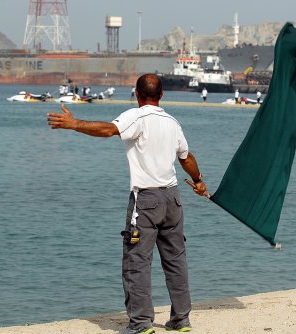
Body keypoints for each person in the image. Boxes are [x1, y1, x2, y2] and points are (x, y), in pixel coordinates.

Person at [47, 74, 209, 334]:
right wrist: (199, 181)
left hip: (146, 200)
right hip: (173, 199)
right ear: (162, 95)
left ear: (136, 93)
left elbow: (109, 130)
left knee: (137, 262)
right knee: (176, 261)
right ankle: (181, 319)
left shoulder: (136, 116)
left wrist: (73, 123)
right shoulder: (172, 122)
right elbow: (186, 157)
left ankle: (140, 324)